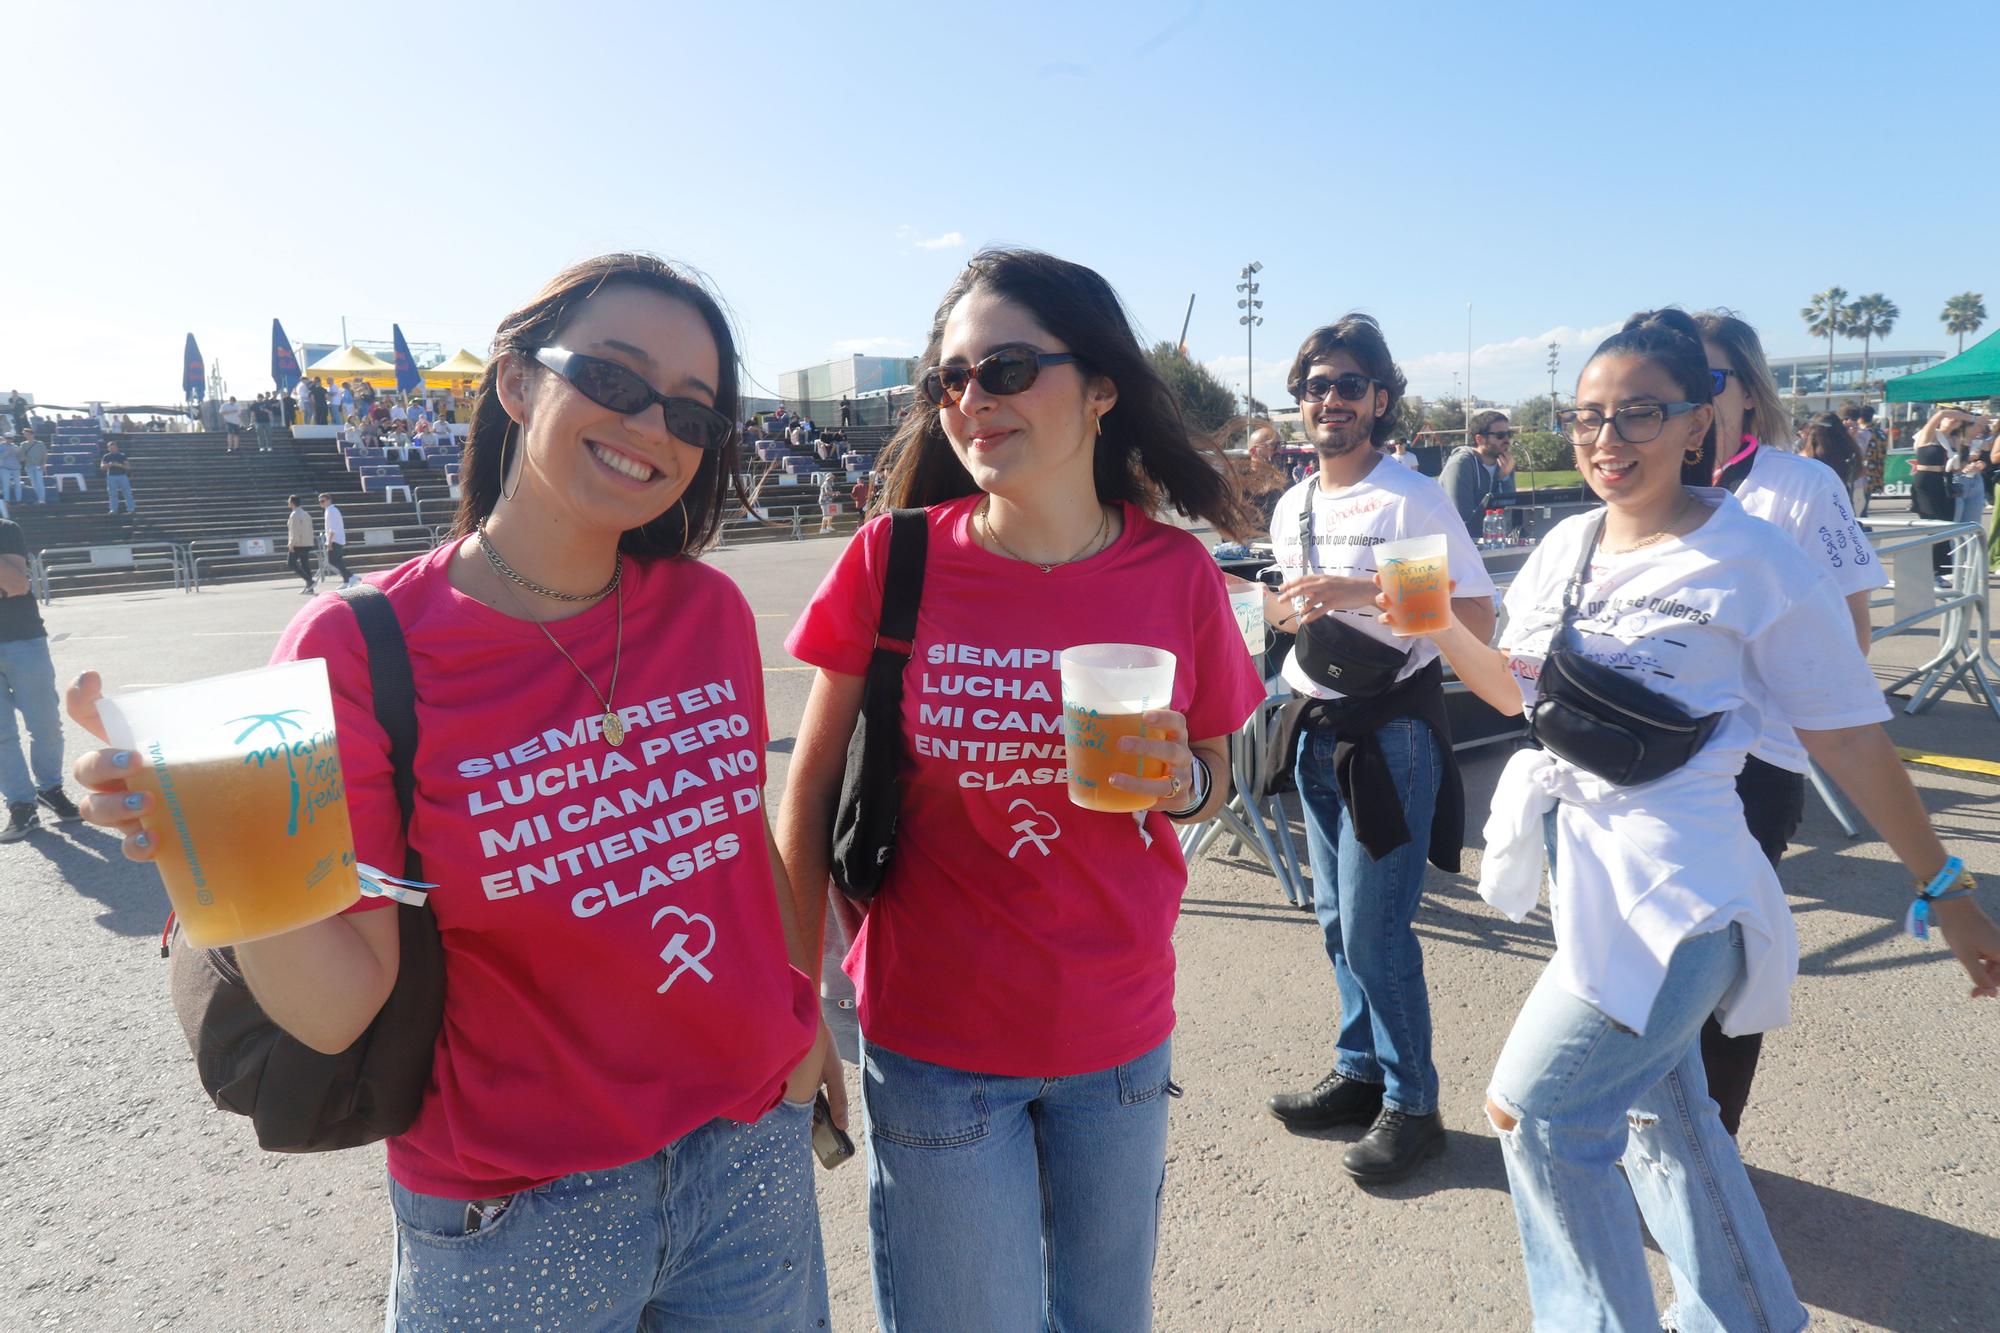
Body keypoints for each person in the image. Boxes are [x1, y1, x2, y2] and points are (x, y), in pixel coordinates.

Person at [69, 253, 835, 1329]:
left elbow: (732, 836)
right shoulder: (358, 646)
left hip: (751, 1158)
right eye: (613, 378)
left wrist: (802, 1024)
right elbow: (339, 1008)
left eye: (692, 410)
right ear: (518, 382)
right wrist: (212, 850)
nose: (653, 423)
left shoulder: (704, 609)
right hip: (518, 1216)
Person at [1410, 308, 2000, 1330]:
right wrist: (1421, 621)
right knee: (1664, 1117)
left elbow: (1852, 738)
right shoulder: (1564, 545)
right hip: (1585, 885)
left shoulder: (1755, 559)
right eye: (1586, 416)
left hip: (1685, 896)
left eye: (1636, 414)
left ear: (1698, 423)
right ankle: (1746, 1313)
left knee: (1537, 1113)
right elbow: (1517, 695)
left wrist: (1945, 889)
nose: (1605, 439)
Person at [780, 248, 1264, 1330]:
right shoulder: (890, 560)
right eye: (947, 380)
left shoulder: (1174, 574)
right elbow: (805, 793)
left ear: (1100, 388)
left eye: (1003, 369)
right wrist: (798, 993)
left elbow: (1216, 774)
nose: (970, 401)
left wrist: (1177, 780)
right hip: (933, 1038)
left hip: (1118, 1032)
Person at [1259, 315, 1497, 1183]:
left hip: (1392, 731)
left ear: (1380, 399)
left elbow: (1475, 618)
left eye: (1349, 384)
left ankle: (1413, 1103)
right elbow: (1291, 609)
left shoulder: (1412, 496)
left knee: (1375, 929)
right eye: (1316, 385)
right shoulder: (1293, 504)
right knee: (1335, 920)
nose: (1331, 399)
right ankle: (1361, 1073)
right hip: (1316, 721)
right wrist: (1284, 612)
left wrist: (1362, 586)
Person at [1693, 310, 1886, 1136]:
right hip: (1653, 770)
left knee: (1729, 967)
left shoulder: (1801, 485)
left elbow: (1853, 631)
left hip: (1756, 764)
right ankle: (1652, 1133)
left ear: (1747, 389)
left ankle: (1713, 1145)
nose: (1692, 401)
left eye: (1708, 380)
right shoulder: (1648, 485)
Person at [0, 512, 81, 841]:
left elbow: (16, 585)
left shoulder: (6, 530)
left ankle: (49, 788)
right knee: (2, 736)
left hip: (23, 640)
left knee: (45, 724)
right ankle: (21, 805)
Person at [1911, 408, 1972, 577]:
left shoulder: (1955, 439)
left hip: (1944, 482)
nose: (1952, 420)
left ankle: (1944, 569)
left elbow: (1959, 466)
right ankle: (1933, 570)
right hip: (1925, 482)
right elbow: (1941, 414)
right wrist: (1969, 416)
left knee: (1946, 526)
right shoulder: (1931, 434)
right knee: (1933, 524)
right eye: (1951, 417)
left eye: (1957, 419)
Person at [1439, 410, 1517, 532]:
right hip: (1458, 541)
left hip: (1494, 540)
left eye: (1509, 434)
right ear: (1480, 439)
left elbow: (1510, 511)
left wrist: (1504, 478)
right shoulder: (1461, 464)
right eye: (1500, 435)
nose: (1507, 440)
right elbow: (1463, 519)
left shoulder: (1505, 463)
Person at [317, 492, 355, 588]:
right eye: (320, 502)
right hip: (337, 539)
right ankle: (347, 580)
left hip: (335, 539)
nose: (321, 503)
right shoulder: (329, 510)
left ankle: (350, 576)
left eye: (323, 501)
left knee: (332, 560)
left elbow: (332, 528)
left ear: (329, 500)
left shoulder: (331, 511)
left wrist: (329, 542)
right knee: (337, 560)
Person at [284, 494, 316, 594]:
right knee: (305, 564)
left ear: (292, 503)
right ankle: (310, 587)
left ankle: (309, 581)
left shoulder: (294, 515)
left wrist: (291, 544)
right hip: (307, 542)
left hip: (298, 543)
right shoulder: (306, 514)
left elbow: (295, 531)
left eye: (289, 502)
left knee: (291, 563)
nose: (288, 503)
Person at [99, 441, 135, 514]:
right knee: (112, 494)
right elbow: (102, 467)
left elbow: (128, 467)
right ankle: (113, 509)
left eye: (114, 447)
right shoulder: (106, 456)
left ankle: (131, 509)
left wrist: (119, 465)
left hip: (122, 476)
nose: (112, 449)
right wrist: (109, 465)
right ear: (108, 448)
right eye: (110, 448)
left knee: (127, 493)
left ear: (117, 448)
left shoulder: (122, 455)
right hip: (111, 476)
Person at [19, 428, 47, 504]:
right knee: (34, 483)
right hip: (29, 466)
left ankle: (42, 499)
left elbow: (44, 454)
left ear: (32, 434)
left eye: (28, 434)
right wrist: (24, 458)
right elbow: (22, 457)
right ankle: (39, 499)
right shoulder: (23, 444)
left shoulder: (40, 443)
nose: (26, 436)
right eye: (25, 435)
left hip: (39, 466)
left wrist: (43, 464)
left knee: (39, 482)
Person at [0, 435, 20, 505]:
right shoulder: (1, 446)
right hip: (5, 468)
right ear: (5, 438)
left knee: (18, 485)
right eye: (7, 438)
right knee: (5, 485)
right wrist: (7, 453)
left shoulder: (16, 447)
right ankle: (6, 501)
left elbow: (19, 457)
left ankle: (19, 501)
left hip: (16, 468)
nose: (9, 439)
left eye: (10, 438)